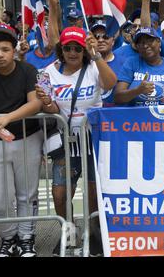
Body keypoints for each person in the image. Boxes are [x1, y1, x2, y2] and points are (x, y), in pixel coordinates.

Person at [35, 26, 117, 256]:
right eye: (68, 48)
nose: (72, 52)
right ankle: (68, 234)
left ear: (84, 50)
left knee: (92, 191)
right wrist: (47, 103)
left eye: (77, 48)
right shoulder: (46, 72)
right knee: (60, 193)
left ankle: (93, 235)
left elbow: (110, 83)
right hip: (64, 141)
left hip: (92, 140)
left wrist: (97, 55)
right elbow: (47, 107)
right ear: (61, 49)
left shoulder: (93, 67)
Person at [0, 23, 43, 257]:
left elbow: (36, 103)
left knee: (27, 193)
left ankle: (26, 238)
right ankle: (8, 237)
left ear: (14, 50)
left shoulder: (27, 70)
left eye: (5, 49)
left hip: (28, 137)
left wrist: (7, 118)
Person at [114, 27, 164, 128]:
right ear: (137, 47)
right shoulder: (131, 63)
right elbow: (118, 97)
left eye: (150, 41)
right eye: (141, 43)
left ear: (159, 42)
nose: (146, 45)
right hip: (137, 126)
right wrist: (138, 91)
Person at [89, 20, 124, 107]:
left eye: (106, 36)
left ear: (113, 41)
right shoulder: (85, 64)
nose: (101, 40)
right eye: (96, 37)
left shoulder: (125, 63)